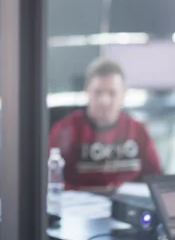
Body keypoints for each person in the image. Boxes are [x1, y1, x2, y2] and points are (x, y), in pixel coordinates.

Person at [49, 58, 161, 191]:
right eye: (98, 92)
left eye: (112, 93)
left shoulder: (137, 130)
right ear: (87, 91)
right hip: (80, 206)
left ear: (124, 94)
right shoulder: (66, 129)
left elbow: (155, 179)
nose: (104, 101)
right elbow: (48, 178)